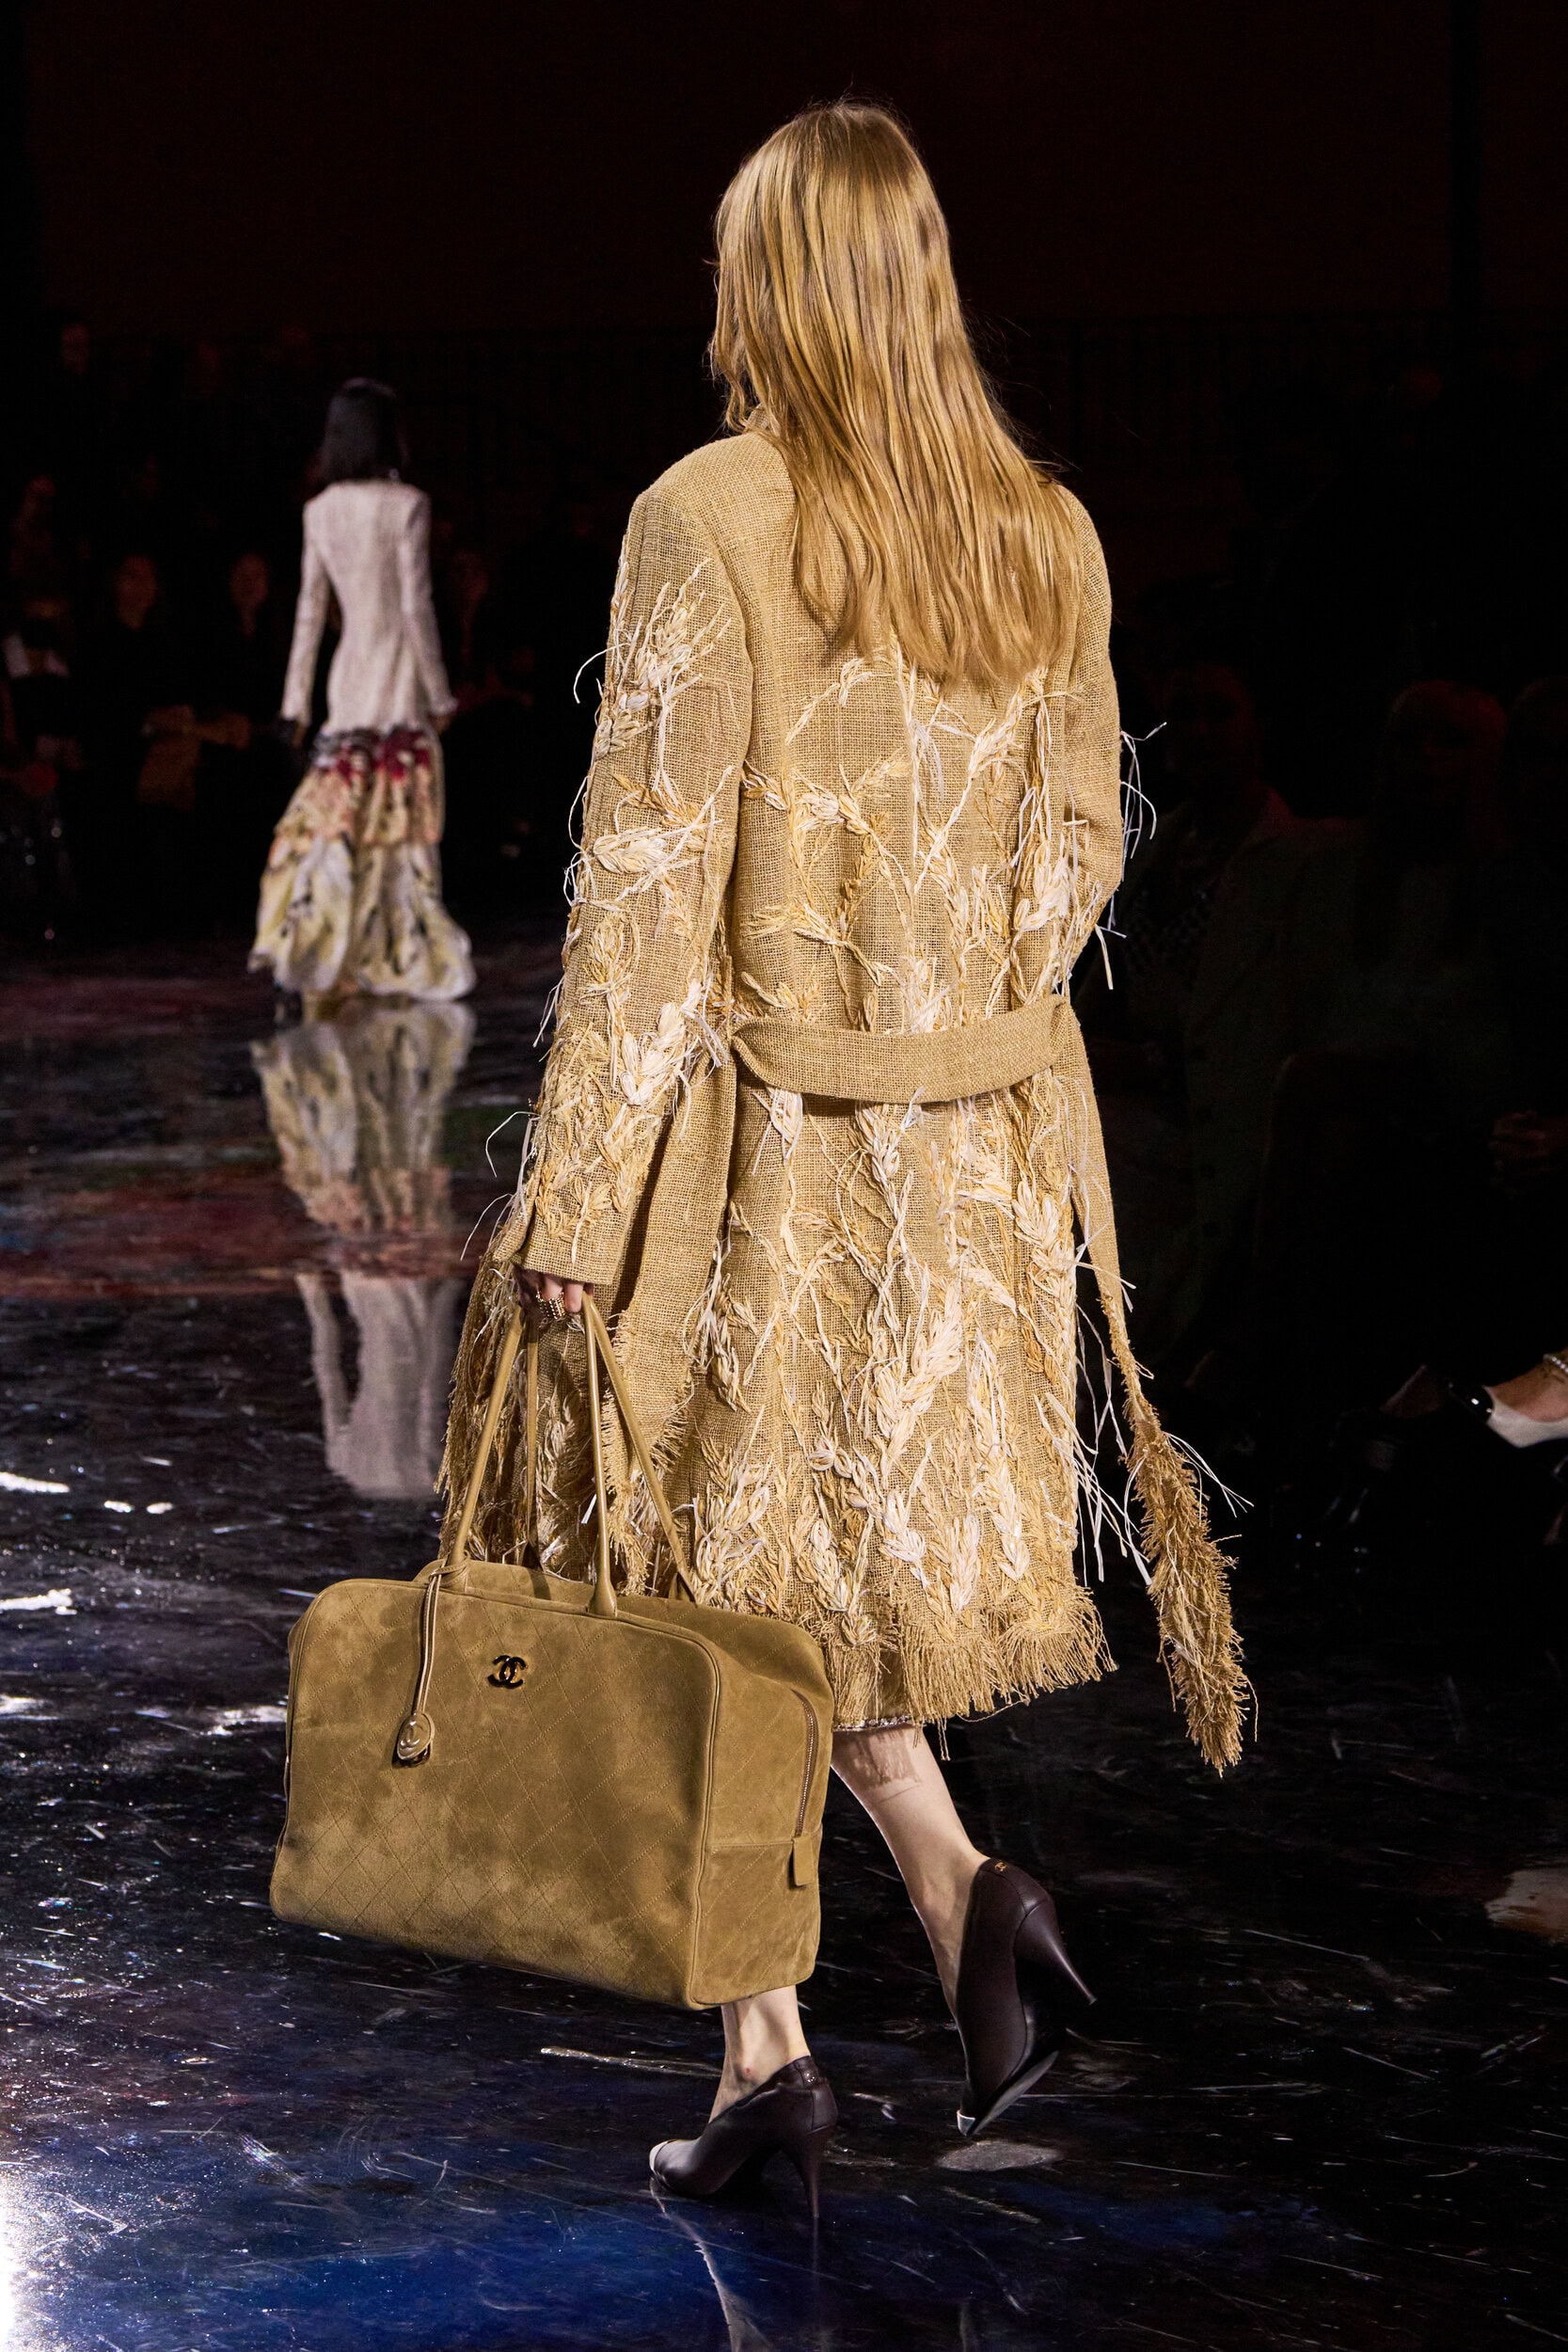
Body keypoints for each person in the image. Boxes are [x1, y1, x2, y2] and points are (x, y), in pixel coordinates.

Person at [440, 105, 1244, 2203]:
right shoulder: (1041, 531)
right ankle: (830, 2008)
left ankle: (827, 2016)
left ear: (768, 283)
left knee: (709, 1593)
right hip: (968, 1159)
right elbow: (1082, 849)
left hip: (767, 1161)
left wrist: (578, 1188)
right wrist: (956, 1026)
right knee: (802, 1602)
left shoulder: (705, 517)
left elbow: (644, 888)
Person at [1080, 660, 1335, 1365]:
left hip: (1224, 1148)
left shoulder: (1307, 862)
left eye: (1218, 712)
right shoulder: (1153, 851)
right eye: (1183, 714)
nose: (1197, 731)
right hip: (1131, 1142)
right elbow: (1102, 998)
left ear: (1258, 728)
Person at [251, 378, 472, 1005]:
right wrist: (439, 695)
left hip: (348, 680)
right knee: (395, 825)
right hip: (397, 676)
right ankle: (393, 950)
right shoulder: (406, 505)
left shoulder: (320, 511)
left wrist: (295, 704)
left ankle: (333, 952)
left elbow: (309, 612)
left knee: (343, 821)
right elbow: (415, 606)